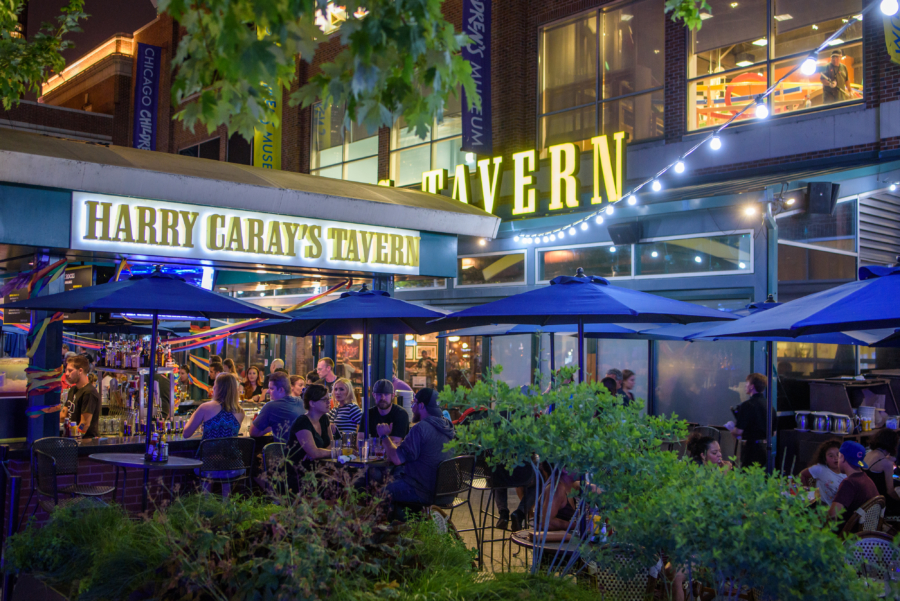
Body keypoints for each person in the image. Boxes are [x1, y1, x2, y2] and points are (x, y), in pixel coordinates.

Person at [378, 388, 455, 505]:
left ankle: (395, 522)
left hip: (424, 491)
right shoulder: (448, 426)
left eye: (414, 402)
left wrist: (384, 436)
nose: (412, 407)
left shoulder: (421, 428)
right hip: (446, 493)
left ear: (422, 405)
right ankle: (405, 519)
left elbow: (397, 459)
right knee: (397, 473)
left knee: (379, 493)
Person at [183, 373, 246, 492]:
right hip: (233, 466)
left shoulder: (205, 407)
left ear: (218, 388)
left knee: (209, 465)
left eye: (214, 384)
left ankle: (206, 504)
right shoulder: (240, 412)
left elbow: (186, 433)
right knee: (225, 466)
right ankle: (226, 505)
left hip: (207, 465)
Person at [724, 373, 774, 468]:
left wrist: (731, 429)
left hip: (750, 449)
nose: (745, 386)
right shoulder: (770, 406)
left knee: (746, 476)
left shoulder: (747, 405)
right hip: (765, 448)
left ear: (752, 386)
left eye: (747, 383)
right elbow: (773, 432)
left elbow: (738, 431)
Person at [828, 441, 879, 532]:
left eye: (839, 456)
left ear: (842, 457)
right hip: (867, 537)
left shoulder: (849, 483)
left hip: (848, 538)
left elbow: (832, 515)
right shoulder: (867, 479)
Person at [250, 371, 305, 443]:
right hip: (303, 451)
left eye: (272, 388)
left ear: (281, 390)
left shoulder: (270, 406)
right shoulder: (300, 402)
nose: (268, 392)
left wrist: (270, 427)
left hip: (283, 452)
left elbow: (253, 432)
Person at [287, 383, 333, 463]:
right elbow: (314, 453)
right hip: (297, 470)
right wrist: (339, 452)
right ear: (312, 403)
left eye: (328, 399)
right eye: (324, 400)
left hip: (317, 468)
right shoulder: (302, 422)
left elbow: (331, 445)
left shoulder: (324, 418)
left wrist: (319, 453)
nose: (329, 403)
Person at [61, 354, 101, 438]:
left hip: (86, 443)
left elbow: (85, 424)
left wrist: (75, 438)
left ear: (80, 371)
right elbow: (63, 415)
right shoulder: (73, 390)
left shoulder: (89, 392)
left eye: (70, 370)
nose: (66, 374)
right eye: (66, 370)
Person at [863, 429, 900, 516]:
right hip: (880, 503)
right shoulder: (886, 463)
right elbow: (890, 491)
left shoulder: (868, 454)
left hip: (867, 500)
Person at [799, 439, 846, 507]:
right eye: (831, 456)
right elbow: (802, 475)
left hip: (840, 509)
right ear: (825, 460)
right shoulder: (820, 469)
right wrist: (807, 492)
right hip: (822, 508)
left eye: (838, 454)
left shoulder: (846, 471)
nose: (835, 458)